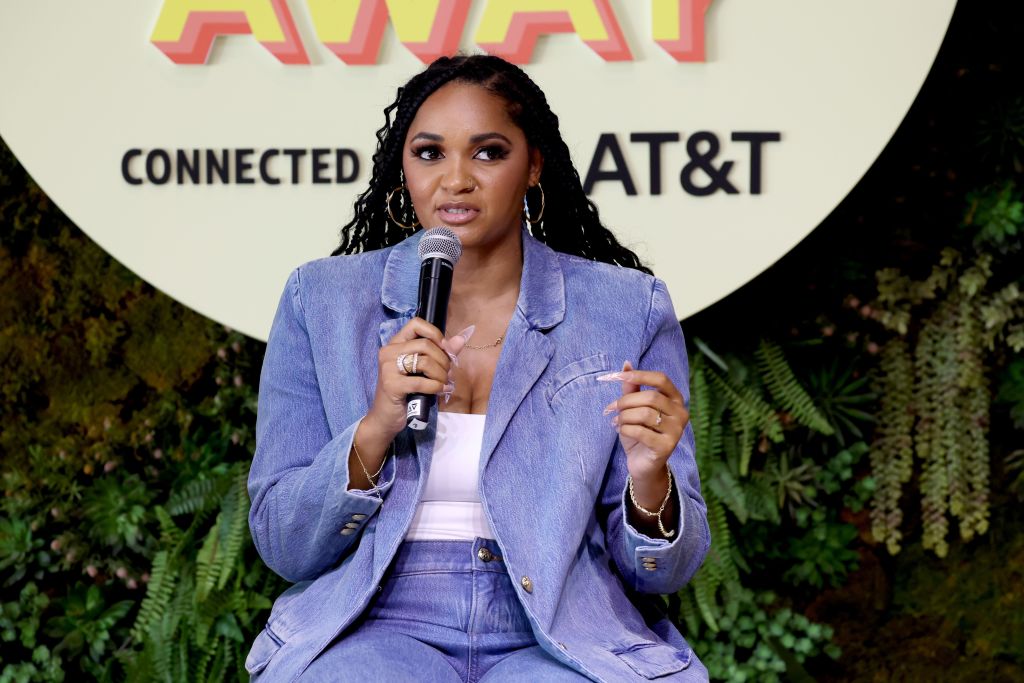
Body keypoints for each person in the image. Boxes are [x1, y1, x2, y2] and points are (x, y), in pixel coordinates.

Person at [246, 54, 710, 682]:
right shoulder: (321, 301)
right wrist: (376, 427)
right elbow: (283, 542)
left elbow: (664, 572)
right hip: (375, 620)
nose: (456, 180)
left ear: (534, 165)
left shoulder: (624, 309)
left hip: (558, 623)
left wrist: (651, 481)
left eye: (488, 152)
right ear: (402, 167)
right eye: (430, 153)